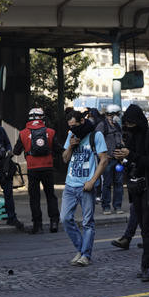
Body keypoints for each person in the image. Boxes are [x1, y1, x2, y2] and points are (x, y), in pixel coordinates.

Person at [112, 105, 149, 281]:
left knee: (147, 229)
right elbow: (131, 163)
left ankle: (146, 266)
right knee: (147, 227)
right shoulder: (131, 136)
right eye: (127, 124)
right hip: (135, 187)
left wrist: (131, 155)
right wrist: (122, 159)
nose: (130, 127)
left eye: (132, 123)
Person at [61, 110, 108, 266]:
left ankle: (85, 255)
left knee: (88, 222)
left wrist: (92, 181)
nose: (72, 129)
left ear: (82, 121)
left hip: (86, 185)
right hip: (70, 184)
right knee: (65, 218)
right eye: (70, 126)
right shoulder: (72, 136)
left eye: (74, 125)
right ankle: (81, 249)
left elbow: (104, 160)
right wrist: (70, 147)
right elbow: (65, 159)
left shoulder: (96, 136)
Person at [14, 108, 60, 234]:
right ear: (42, 118)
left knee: (34, 197)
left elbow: (16, 151)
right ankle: (54, 222)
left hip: (32, 168)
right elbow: (58, 149)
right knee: (50, 195)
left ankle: (37, 225)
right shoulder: (50, 132)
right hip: (48, 167)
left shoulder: (23, 133)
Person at [0, 113, 23, 229]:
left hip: (4, 165)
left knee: (8, 193)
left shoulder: (1, 130)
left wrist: (8, 151)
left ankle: (11, 217)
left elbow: (7, 144)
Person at [95, 104, 124, 215]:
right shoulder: (102, 126)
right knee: (106, 184)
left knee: (119, 183)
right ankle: (106, 206)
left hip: (118, 160)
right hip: (107, 161)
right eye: (116, 114)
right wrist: (102, 155)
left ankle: (117, 206)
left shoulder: (117, 126)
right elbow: (96, 142)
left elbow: (121, 140)